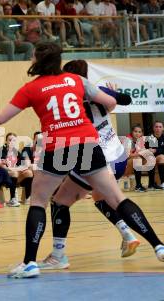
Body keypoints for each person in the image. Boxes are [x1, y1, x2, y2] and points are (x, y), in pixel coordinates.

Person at [0, 42, 164, 279]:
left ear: (39, 61)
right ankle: (159, 246)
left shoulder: (31, 88)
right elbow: (111, 102)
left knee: (39, 201)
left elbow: (0, 118)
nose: (31, 59)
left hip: (59, 146)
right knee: (116, 198)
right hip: (88, 143)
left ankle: (30, 263)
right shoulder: (76, 81)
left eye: (33, 56)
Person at [37, 59, 140, 270]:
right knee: (101, 197)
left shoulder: (71, 97)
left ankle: (58, 255)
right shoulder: (98, 91)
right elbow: (127, 99)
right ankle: (128, 235)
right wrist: (114, 95)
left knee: (60, 202)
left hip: (95, 158)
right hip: (118, 157)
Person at [0, 132, 34, 207]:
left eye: (14, 140)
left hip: (16, 174)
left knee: (29, 173)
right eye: (10, 140)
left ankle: (27, 198)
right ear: (6, 141)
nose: (11, 142)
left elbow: (24, 164)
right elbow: (2, 166)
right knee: (14, 173)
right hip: (5, 176)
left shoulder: (16, 151)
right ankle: (12, 199)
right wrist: (13, 169)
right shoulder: (2, 150)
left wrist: (23, 167)